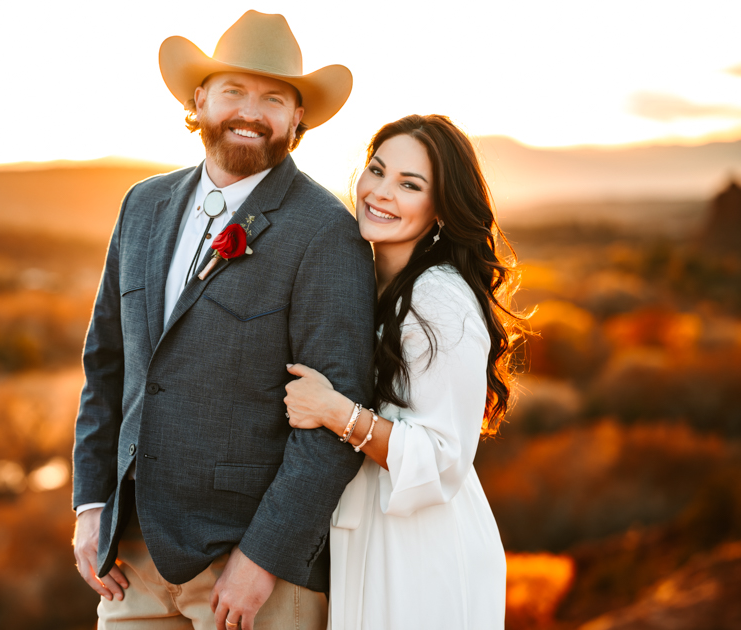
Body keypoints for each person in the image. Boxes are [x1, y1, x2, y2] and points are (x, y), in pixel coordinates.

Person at [71, 11, 376, 630]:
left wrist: (263, 557)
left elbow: (334, 417)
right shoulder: (141, 206)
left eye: (273, 98)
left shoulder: (326, 233)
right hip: (130, 560)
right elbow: (107, 366)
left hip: (250, 572)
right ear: (200, 98)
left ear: (297, 119)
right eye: (234, 90)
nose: (250, 111)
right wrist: (90, 504)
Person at [284, 114, 520, 629]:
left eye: (409, 185)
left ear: (440, 210)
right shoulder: (369, 282)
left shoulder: (439, 299)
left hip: (423, 551)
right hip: (372, 533)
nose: (381, 193)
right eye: (377, 170)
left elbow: (442, 456)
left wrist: (334, 412)